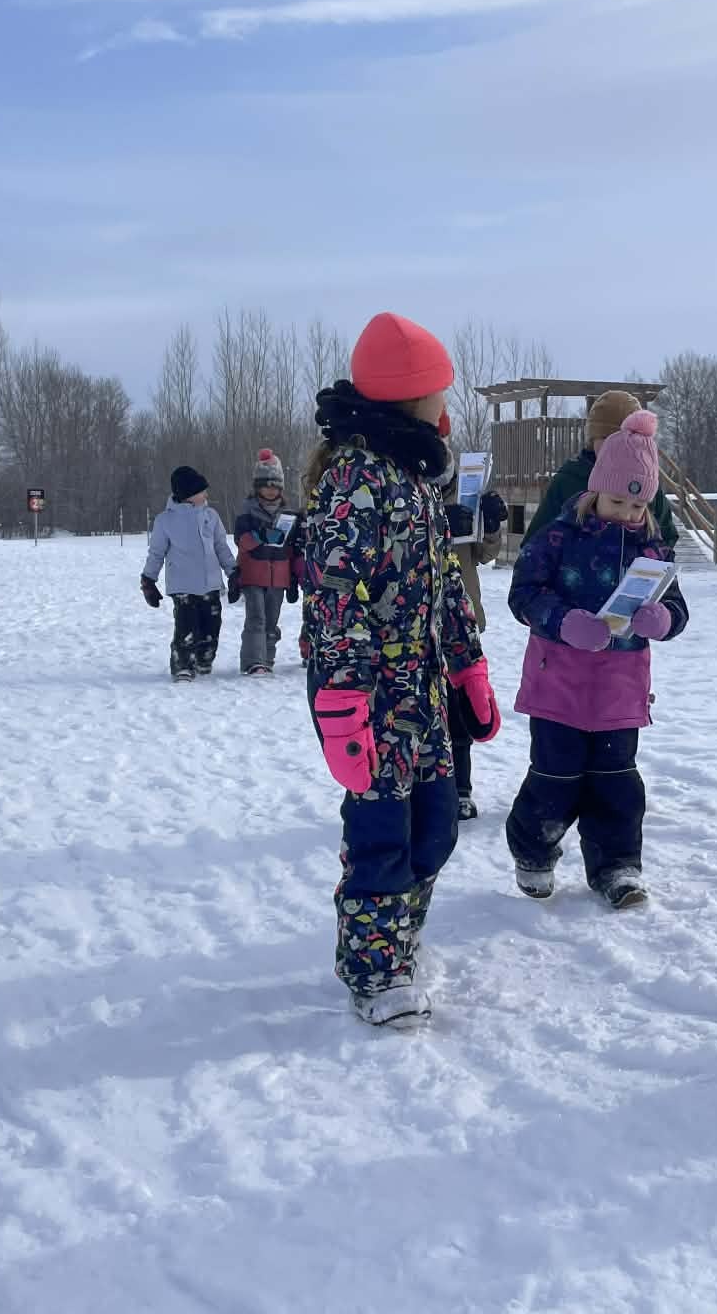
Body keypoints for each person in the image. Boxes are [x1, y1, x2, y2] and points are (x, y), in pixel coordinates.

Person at [301, 312, 503, 1028]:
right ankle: (375, 967)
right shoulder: (354, 481)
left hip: (423, 689)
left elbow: (447, 586)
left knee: (436, 826)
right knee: (382, 832)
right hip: (371, 695)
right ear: (411, 395)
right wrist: (343, 700)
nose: (447, 402)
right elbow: (335, 597)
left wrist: (468, 669)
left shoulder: (415, 479)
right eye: (439, 389)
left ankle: (400, 936)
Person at [505, 410, 689, 909]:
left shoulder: (652, 548)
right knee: (555, 775)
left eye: (638, 504)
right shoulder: (559, 536)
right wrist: (564, 620)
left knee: (616, 782)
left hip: (620, 688)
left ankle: (618, 865)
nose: (628, 513)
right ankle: (535, 852)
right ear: (596, 489)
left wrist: (662, 620)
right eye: (617, 501)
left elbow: (677, 607)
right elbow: (524, 593)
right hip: (559, 683)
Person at [524, 389, 682, 551]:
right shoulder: (569, 480)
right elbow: (534, 543)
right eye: (607, 439)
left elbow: (666, 536)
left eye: (625, 442)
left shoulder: (643, 482)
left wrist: (648, 559)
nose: (615, 447)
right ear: (592, 439)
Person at [444, 481, 508, 819]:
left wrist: (491, 524)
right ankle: (422, 790)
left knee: (463, 711)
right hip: (417, 624)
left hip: (462, 622)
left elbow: (484, 554)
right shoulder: (402, 492)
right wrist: (440, 526)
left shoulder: (463, 494)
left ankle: (461, 789)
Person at [141, 466, 236, 682]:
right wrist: (148, 581)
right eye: (202, 491)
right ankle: (182, 664)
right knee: (186, 628)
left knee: (212, 627)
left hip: (211, 585)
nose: (206, 495)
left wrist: (233, 572)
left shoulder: (211, 516)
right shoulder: (165, 521)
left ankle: (204, 660)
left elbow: (221, 547)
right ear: (188, 495)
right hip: (183, 587)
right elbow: (156, 553)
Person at [230, 450, 303, 676]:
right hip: (253, 574)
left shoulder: (289, 514)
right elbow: (241, 540)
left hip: (279, 577)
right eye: (266, 486)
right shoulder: (248, 511)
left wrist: (293, 578)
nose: (271, 490)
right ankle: (254, 661)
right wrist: (260, 536)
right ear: (257, 487)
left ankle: (267, 658)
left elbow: (292, 549)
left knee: (271, 621)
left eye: (275, 486)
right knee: (256, 619)